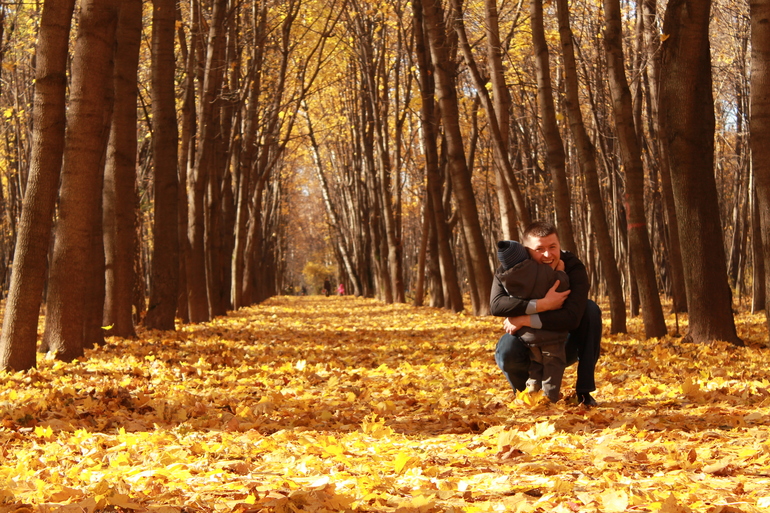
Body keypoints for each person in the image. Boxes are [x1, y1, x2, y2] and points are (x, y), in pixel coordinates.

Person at [490, 221, 601, 407]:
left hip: (563, 343)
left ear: (560, 245)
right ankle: (523, 392)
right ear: (526, 250)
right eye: (539, 249)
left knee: (590, 310)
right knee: (506, 349)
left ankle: (584, 392)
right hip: (527, 344)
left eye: (553, 247)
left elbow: (572, 318)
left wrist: (525, 318)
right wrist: (540, 305)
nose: (548, 254)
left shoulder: (572, 266)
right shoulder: (513, 267)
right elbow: (496, 305)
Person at [495, 240, 570, 402]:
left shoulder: (507, 279)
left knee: (536, 364)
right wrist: (562, 272)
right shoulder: (541, 272)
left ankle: (533, 394)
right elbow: (561, 285)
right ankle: (550, 399)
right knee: (552, 365)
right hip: (550, 334)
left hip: (527, 335)